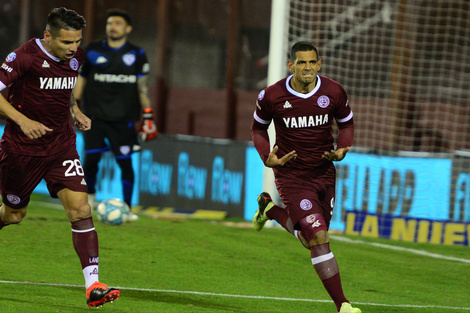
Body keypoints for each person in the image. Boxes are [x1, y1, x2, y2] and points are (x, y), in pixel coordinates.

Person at [0, 7, 120, 308]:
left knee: (81, 208)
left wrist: (75, 110)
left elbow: (65, 89)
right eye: (66, 42)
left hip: (61, 146)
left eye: (77, 41)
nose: (73, 48)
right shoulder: (23, 58)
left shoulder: (76, 58)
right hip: (21, 150)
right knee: (14, 215)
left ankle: (93, 284)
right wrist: (22, 121)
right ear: (48, 36)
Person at [251, 41, 361, 313]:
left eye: (312, 62)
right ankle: (343, 305)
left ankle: (268, 209)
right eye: (302, 62)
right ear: (291, 65)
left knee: (307, 238)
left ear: (319, 64)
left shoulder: (333, 91)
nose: (308, 68)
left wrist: (343, 149)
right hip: (292, 175)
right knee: (318, 237)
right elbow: (258, 129)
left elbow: (346, 123)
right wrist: (267, 156)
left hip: (324, 173)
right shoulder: (272, 96)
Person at [73, 8, 157, 221]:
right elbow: (79, 84)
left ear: (127, 28)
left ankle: (127, 209)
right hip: (94, 118)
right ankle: (89, 202)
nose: (113, 27)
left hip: (124, 120)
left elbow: (142, 88)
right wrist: (73, 109)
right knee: (91, 160)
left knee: (125, 163)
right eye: (110, 23)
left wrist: (148, 116)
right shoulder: (91, 50)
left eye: (118, 23)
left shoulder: (137, 54)